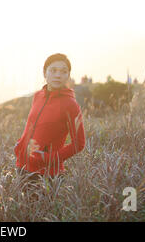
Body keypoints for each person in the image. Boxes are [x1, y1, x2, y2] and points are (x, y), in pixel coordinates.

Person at [14, 53, 86, 197]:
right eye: (53, 70)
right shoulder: (38, 96)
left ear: (68, 76)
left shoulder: (70, 105)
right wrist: (20, 146)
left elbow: (79, 143)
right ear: (44, 73)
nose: (58, 75)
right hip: (23, 167)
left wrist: (50, 158)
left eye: (63, 71)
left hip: (49, 174)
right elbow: (30, 125)